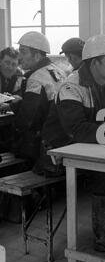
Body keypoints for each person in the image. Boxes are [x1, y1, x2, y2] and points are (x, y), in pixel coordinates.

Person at [41, 34, 105, 256]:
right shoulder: (71, 87)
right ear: (95, 63)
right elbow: (78, 130)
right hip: (56, 152)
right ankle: (103, 238)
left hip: (88, 145)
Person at [10, 31, 66, 167]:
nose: (19, 57)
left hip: (41, 146)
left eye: (23, 52)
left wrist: (15, 106)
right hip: (61, 139)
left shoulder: (35, 79)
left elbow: (28, 119)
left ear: (36, 55)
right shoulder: (57, 70)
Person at [0, 47, 24, 152]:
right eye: (7, 62)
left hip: (8, 121)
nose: (10, 67)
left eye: (14, 64)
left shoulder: (19, 76)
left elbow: (20, 98)